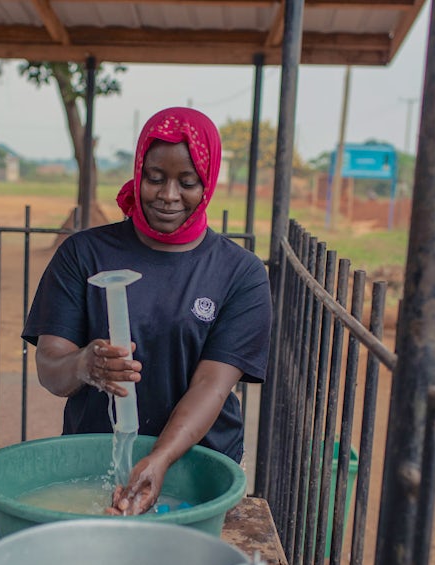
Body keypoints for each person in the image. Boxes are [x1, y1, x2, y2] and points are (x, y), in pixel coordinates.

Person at [21, 107, 272, 515]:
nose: (168, 195)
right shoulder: (84, 254)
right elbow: (50, 365)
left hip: (198, 467)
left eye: (187, 182)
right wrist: (85, 364)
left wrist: (161, 458)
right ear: (138, 171)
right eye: (155, 177)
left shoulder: (239, 273)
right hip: (96, 469)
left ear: (206, 183)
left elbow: (212, 384)